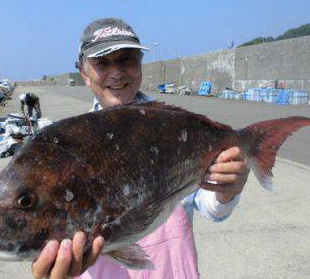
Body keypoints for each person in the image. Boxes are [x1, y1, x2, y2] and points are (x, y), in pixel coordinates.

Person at [32, 18, 249, 279]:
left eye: (127, 59)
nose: (116, 72)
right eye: (102, 63)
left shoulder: (173, 128)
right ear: (84, 73)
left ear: (140, 65)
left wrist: (228, 191)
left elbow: (211, 208)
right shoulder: (68, 149)